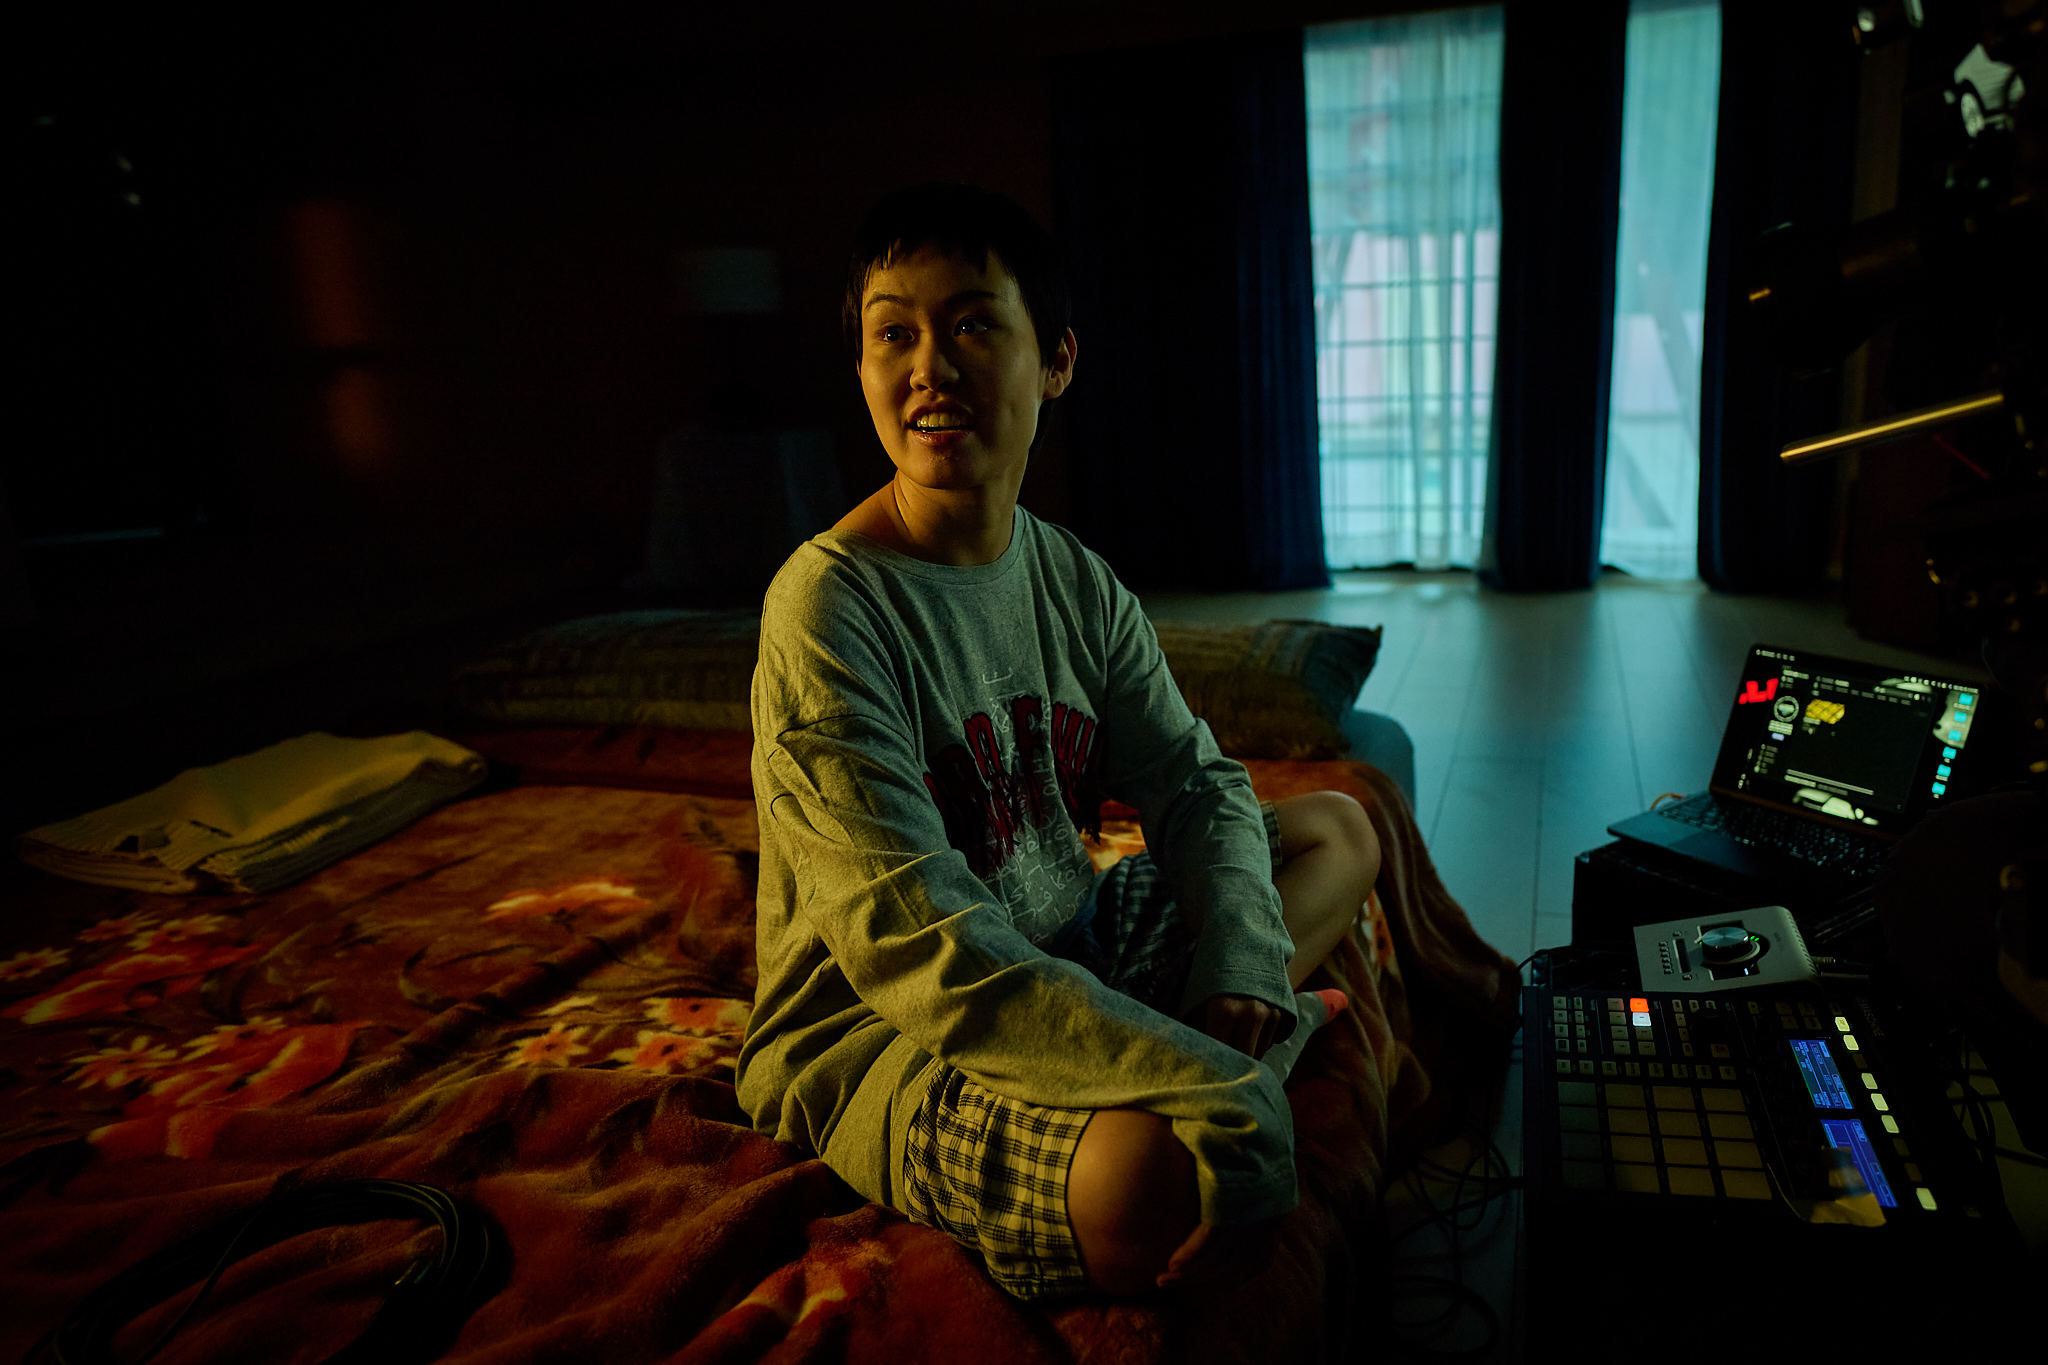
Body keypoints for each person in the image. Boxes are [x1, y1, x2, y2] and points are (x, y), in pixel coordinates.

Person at [735, 182, 1381, 1302]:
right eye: (893, 334)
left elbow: (1194, 783)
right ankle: (1240, 1059)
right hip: (890, 1034)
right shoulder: (828, 605)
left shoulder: (1072, 577)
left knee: (1336, 830)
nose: (929, 368)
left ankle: (1215, 1047)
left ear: (1057, 361)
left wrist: (1237, 961)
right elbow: (919, 951)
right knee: (1147, 1181)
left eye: (971, 325)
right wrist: (1208, 1077)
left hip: (1071, 947)